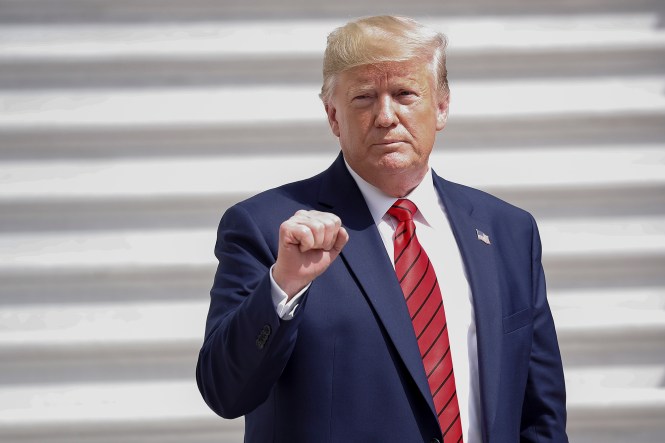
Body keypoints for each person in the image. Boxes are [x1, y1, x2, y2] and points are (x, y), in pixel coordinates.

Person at [196, 15, 568, 443]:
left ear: (442, 106)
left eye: (405, 94)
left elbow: (539, 415)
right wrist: (284, 286)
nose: (386, 116)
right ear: (333, 116)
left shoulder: (507, 231)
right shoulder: (268, 228)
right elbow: (225, 392)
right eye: (364, 98)